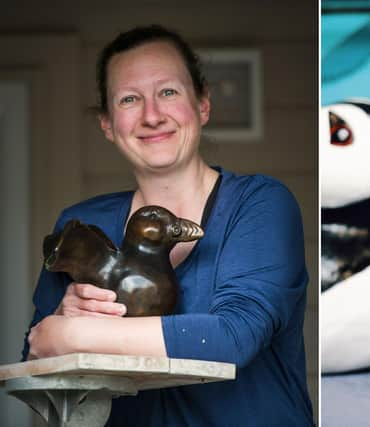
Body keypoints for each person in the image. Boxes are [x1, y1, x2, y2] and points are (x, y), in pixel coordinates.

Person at [22, 25, 313, 426]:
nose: (152, 115)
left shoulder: (260, 204)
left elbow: (232, 338)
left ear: (203, 105)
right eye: (129, 99)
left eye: (168, 92)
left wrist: (70, 335)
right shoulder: (84, 225)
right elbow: (35, 354)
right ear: (108, 124)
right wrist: (62, 312)